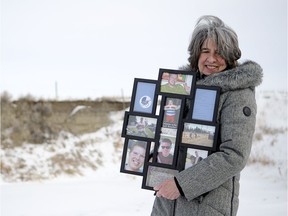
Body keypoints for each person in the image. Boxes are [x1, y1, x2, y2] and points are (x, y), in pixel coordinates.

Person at [151, 15, 263, 216]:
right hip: (166, 203)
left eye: (219, 53)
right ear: (196, 55)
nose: (211, 59)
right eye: (205, 51)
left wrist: (181, 184)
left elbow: (234, 156)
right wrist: (156, 157)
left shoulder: (237, 95)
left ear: (230, 58)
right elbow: (174, 136)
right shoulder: (184, 89)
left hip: (204, 207)